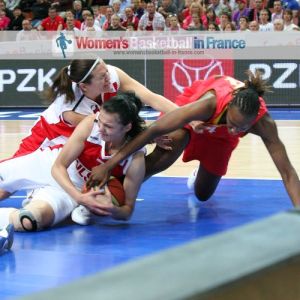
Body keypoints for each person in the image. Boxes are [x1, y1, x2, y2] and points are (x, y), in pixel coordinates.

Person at [86, 71, 300, 208]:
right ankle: (106, 194)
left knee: (203, 195)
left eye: (242, 127)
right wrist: (108, 165)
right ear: (229, 105)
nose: (235, 130)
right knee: (165, 153)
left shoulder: (264, 124)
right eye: (232, 122)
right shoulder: (207, 104)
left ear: (254, 120)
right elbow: (153, 131)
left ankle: (199, 172)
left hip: (220, 139)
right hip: (194, 121)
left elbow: (287, 172)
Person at [0, 57, 177, 200]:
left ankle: (106, 195)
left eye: (106, 71)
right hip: (47, 137)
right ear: (84, 86)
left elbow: (152, 98)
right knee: (7, 187)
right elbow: (111, 127)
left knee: (126, 154)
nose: (109, 76)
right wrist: (151, 135)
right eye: (102, 76)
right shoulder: (71, 106)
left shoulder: (110, 75)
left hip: (78, 134)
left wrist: (186, 115)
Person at [0, 92, 146, 242]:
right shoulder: (90, 124)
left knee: (29, 220)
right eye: (100, 121)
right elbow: (58, 166)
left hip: (72, 189)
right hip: (49, 165)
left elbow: (127, 211)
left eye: (108, 126)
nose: (100, 128)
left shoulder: (135, 160)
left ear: (127, 127)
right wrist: (80, 198)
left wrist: (112, 209)